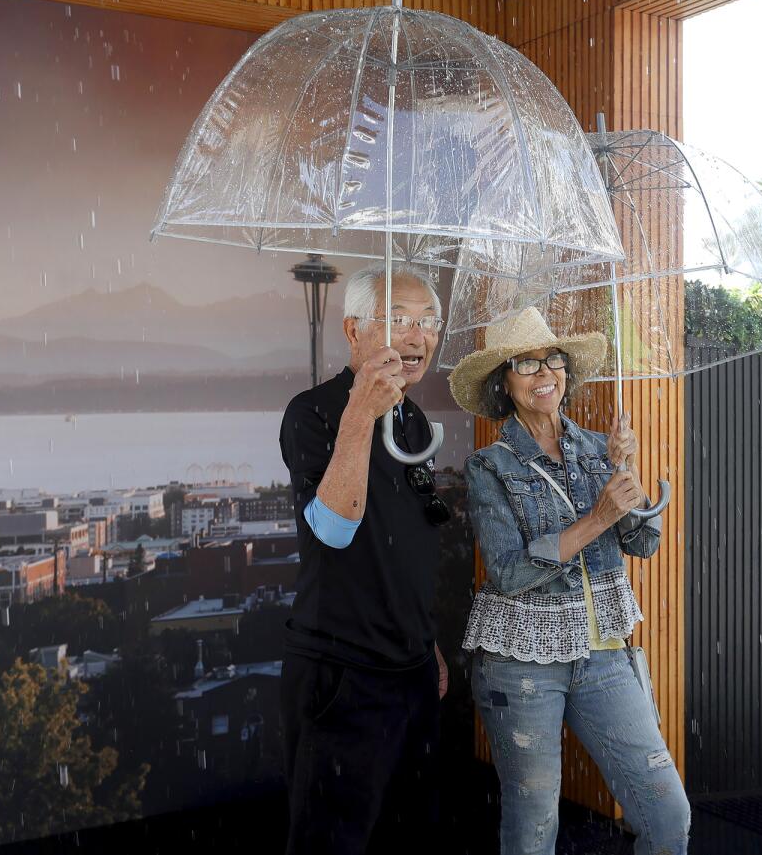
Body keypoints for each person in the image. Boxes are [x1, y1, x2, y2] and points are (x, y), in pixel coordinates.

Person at [447, 306, 691, 855]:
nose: (544, 373)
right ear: (503, 383)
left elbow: (643, 544)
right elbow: (508, 573)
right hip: (521, 661)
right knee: (534, 828)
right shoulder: (491, 465)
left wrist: (625, 472)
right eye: (526, 364)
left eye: (552, 359)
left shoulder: (596, 448)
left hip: (604, 650)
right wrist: (597, 518)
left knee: (667, 810)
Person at [278, 262, 451, 855]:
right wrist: (360, 414)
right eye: (398, 319)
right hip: (342, 671)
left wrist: (422, 639)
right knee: (333, 842)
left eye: (429, 322)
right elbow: (334, 529)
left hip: (411, 671)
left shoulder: (414, 420)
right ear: (354, 332)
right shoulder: (312, 412)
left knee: (410, 836)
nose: (417, 336)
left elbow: (402, 538)